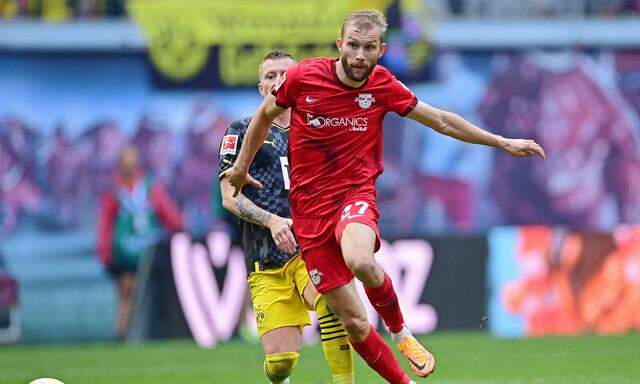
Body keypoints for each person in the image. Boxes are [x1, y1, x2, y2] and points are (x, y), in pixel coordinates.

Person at [226, 10, 546, 384]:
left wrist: (500, 141)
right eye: (354, 46)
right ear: (340, 45)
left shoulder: (382, 85)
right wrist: (240, 167)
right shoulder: (304, 77)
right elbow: (263, 117)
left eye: (369, 48)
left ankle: (401, 333)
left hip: (353, 195)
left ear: (382, 50)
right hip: (310, 215)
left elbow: (440, 119)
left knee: (360, 259)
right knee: (356, 323)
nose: (361, 55)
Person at [218, 50, 355, 384]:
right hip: (265, 257)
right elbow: (229, 197)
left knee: (330, 302)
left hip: (311, 245)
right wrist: (272, 221)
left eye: (285, 74)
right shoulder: (242, 130)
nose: (278, 81)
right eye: (270, 76)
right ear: (260, 87)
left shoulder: (320, 129)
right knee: (281, 362)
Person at [97, 146, 184, 339]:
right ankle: (123, 332)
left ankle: (142, 331)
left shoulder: (150, 187)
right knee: (126, 291)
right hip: (124, 253)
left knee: (145, 293)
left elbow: (169, 214)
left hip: (150, 253)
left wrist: (179, 229)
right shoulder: (114, 191)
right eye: (124, 164)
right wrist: (105, 252)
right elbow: (105, 222)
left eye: (131, 163)